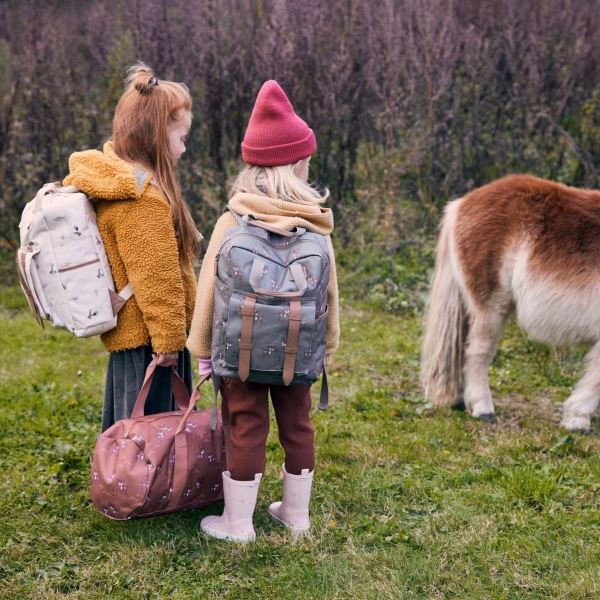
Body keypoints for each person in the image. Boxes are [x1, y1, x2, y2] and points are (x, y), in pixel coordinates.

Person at [187, 80, 340, 542]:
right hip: (299, 355)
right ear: (297, 165)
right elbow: (331, 294)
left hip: (241, 355)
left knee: (246, 427)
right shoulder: (315, 224)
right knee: (298, 424)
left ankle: (238, 525)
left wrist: (202, 350)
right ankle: (296, 516)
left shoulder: (232, 221)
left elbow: (208, 292)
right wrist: (326, 348)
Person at [64, 63, 198, 432]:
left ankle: (126, 481)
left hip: (138, 337)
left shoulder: (121, 183)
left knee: (133, 425)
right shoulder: (143, 200)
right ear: (156, 135)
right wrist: (170, 341)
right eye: (181, 138)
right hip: (152, 340)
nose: (184, 149)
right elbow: (155, 276)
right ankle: (145, 488)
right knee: (151, 429)